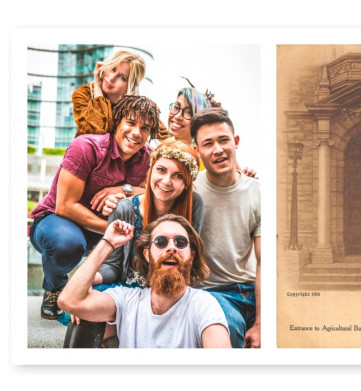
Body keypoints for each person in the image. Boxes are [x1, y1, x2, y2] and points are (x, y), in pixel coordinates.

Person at [61, 139, 204, 348]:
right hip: (127, 288)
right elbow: (113, 265)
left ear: (186, 183)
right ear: (150, 171)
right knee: (83, 312)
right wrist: (91, 279)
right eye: (161, 170)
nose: (166, 181)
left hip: (168, 289)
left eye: (178, 175)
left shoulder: (194, 205)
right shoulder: (125, 209)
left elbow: (190, 261)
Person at [29, 94, 160, 320]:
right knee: (67, 244)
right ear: (117, 122)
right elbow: (65, 206)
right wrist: (112, 231)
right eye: (130, 122)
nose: (137, 132)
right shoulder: (86, 147)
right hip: (56, 221)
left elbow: (158, 191)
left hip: (105, 230)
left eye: (145, 127)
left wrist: (124, 188)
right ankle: (54, 287)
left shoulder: (150, 159)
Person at [58, 215, 231, 348]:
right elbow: (69, 300)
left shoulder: (203, 305)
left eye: (180, 242)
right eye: (161, 242)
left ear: (191, 257)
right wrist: (107, 243)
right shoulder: (126, 299)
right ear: (147, 255)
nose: (171, 247)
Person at [190, 107, 261, 348]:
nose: (218, 149)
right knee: (228, 330)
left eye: (223, 140)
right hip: (214, 293)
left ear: (236, 141)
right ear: (197, 151)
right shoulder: (190, 192)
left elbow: (264, 263)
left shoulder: (258, 192)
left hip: (253, 289)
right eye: (208, 144)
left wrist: (261, 322)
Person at [72, 50, 147, 138]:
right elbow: (96, 132)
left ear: (130, 85)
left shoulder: (134, 108)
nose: (111, 78)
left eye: (122, 77)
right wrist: (98, 88)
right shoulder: (83, 94)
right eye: (113, 69)